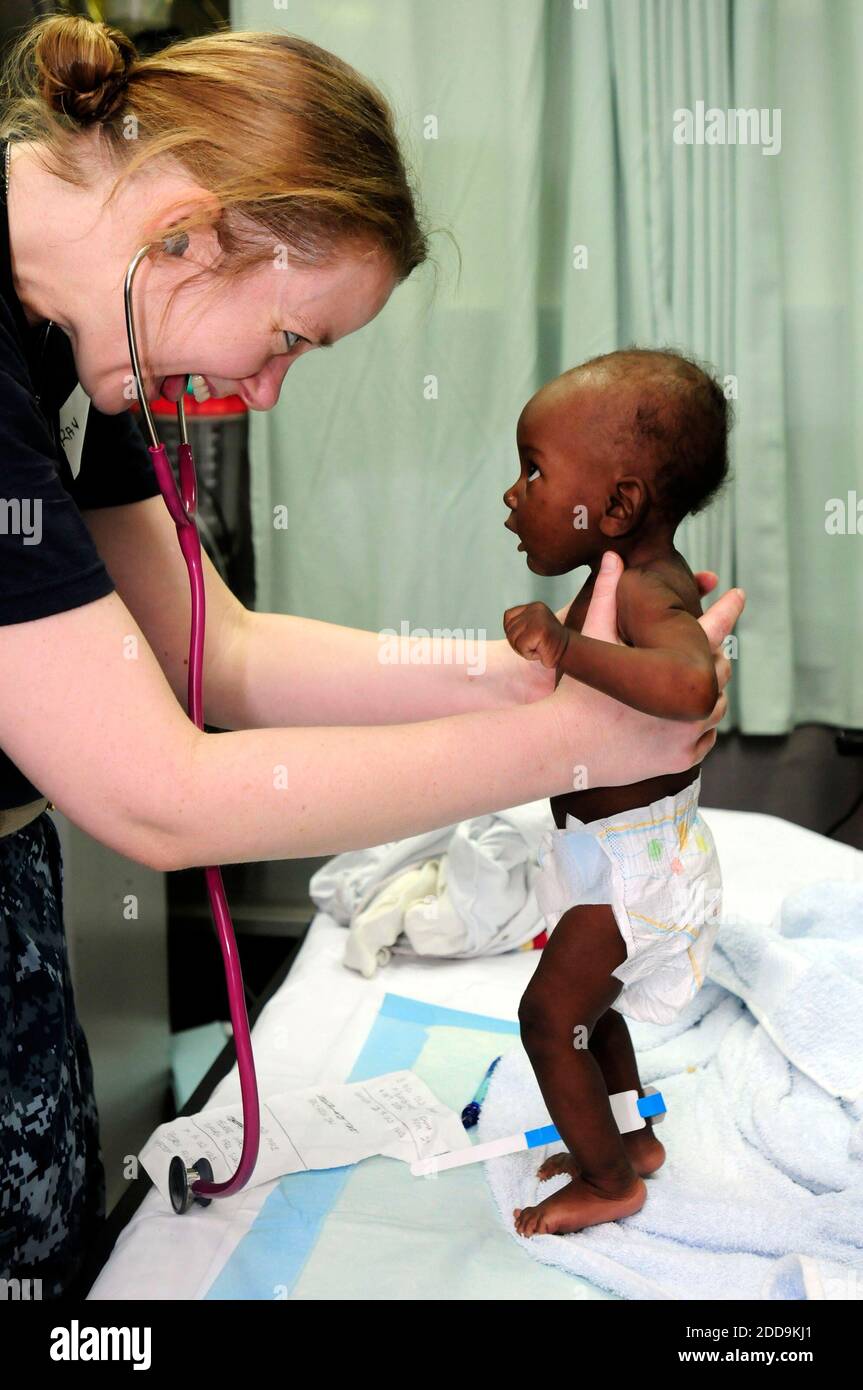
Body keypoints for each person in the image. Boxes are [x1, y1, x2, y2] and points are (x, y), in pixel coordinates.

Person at [0, 16, 744, 1297]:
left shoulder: (91, 338)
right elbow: (153, 794)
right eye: (290, 338)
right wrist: (574, 738)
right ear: (185, 229)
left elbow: (214, 652)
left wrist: (529, 675)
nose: (267, 390)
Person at [502, 349, 732, 1237]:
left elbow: (688, 688)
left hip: (638, 865)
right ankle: (630, 1140)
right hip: (613, 856)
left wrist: (566, 652)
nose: (513, 495)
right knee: (592, 1015)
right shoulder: (614, 580)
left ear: (620, 503)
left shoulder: (641, 592)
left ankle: (607, 1184)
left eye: (533, 470)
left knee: (547, 1017)